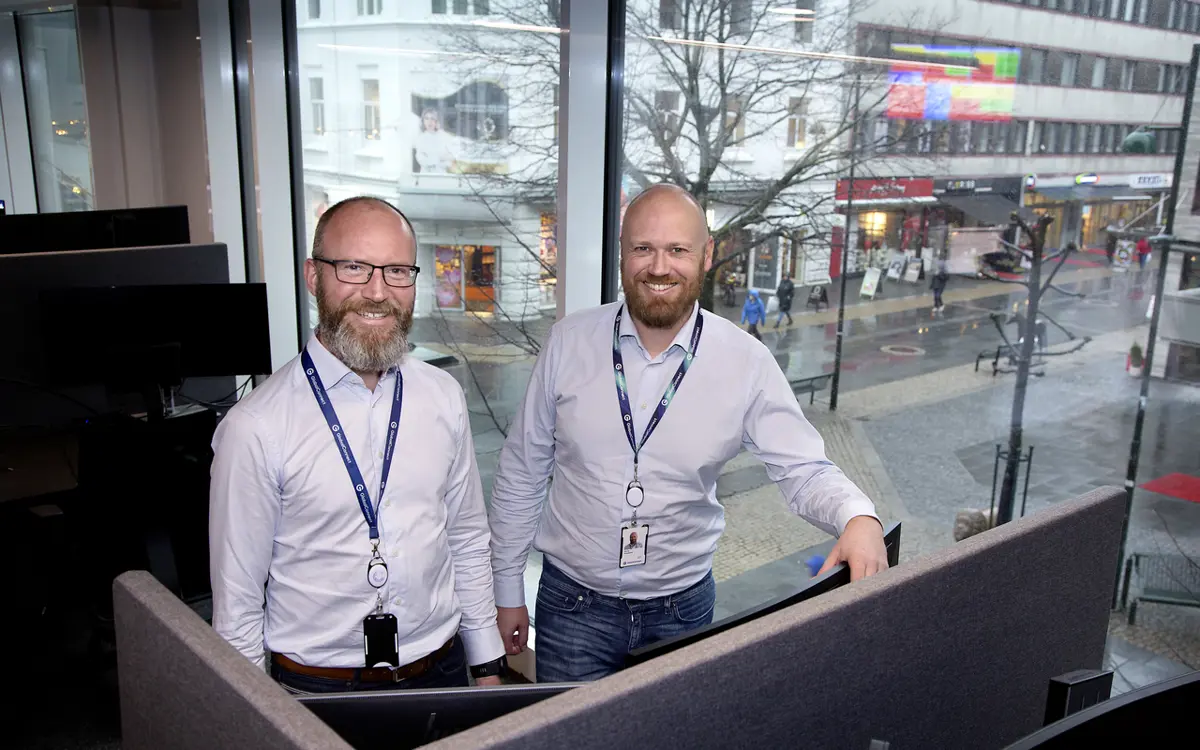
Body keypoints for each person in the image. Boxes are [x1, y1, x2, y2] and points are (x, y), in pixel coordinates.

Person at [488, 183, 888, 683]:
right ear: (621, 251)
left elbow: (804, 471)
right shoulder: (568, 341)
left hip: (681, 614)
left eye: (678, 249)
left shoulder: (745, 362)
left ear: (706, 255)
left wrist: (858, 516)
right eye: (643, 248)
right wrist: (506, 589)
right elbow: (522, 472)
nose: (659, 267)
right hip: (572, 610)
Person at [209, 196, 506, 693]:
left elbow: (467, 537)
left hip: (442, 672)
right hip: (318, 690)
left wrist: (486, 665)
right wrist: (255, 713)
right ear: (313, 277)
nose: (377, 291)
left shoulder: (443, 395)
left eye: (397, 271)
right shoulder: (255, 427)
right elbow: (236, 601)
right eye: (353, 267)